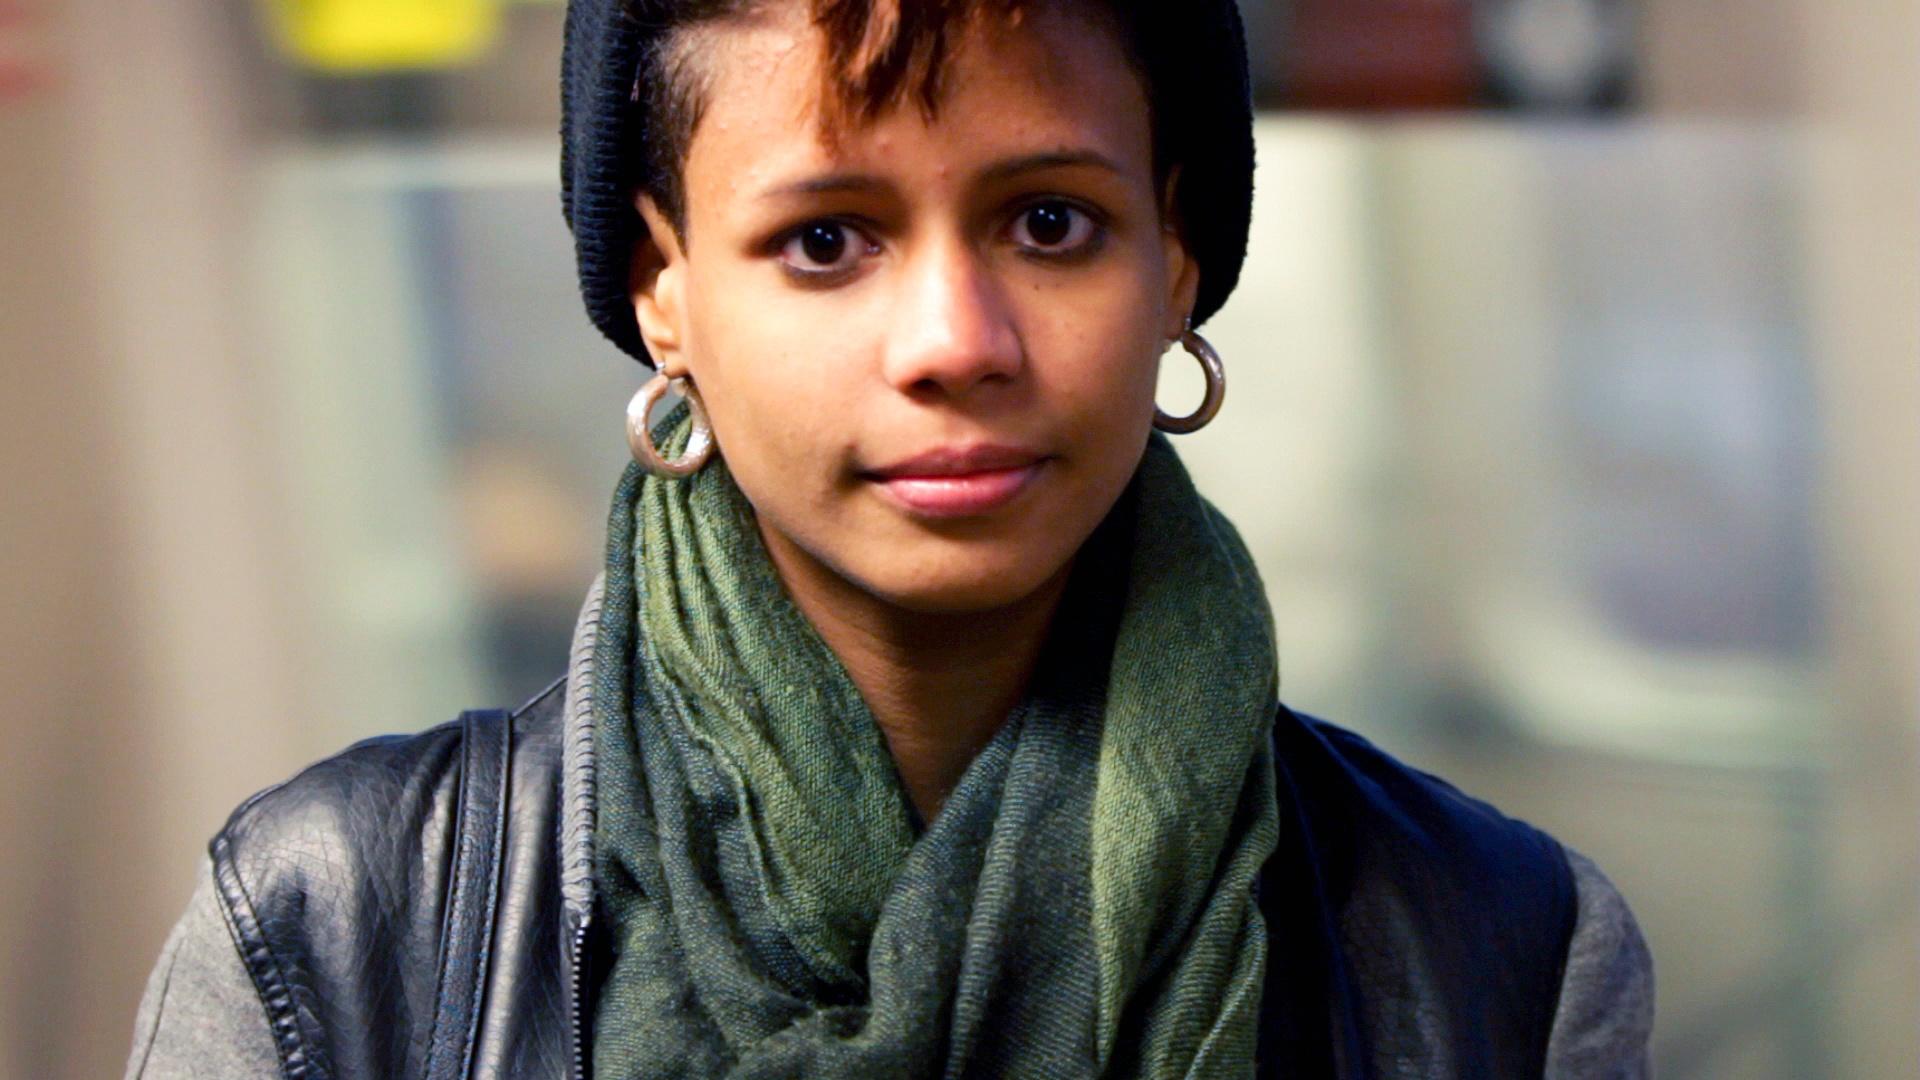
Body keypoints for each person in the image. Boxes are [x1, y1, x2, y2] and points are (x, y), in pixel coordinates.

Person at [124, 0, 1654, 1076]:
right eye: (826, 242)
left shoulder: (1497, 946)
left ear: (1175, 255)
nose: (953, 341)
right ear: (666, 291)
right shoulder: (334, 925)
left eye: (1050, 222)